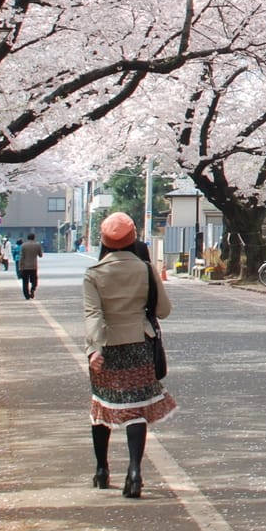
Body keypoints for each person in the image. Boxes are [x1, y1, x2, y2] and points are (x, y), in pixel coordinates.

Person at [83, 212, 176, 498]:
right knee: (137, 407)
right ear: (133, 238)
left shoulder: (95, 274)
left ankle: (102, 469)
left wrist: (94, 349)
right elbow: (163, 310)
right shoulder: (146, 269)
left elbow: (93, 314)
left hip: (108, 347)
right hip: (139, 343)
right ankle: (134, 473)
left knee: (103, 406)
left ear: (104, 240)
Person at [17, 233, 42, 299]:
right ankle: (33, 289)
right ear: (34, 238)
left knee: (25, 281)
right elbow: (40, 255)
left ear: (27, 238)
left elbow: (21, 257)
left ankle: (27, 295)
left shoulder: (23, 245)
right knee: (34, 280)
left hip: (25, 267)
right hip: (33, 266)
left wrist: (20, 266)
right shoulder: (37, 245)